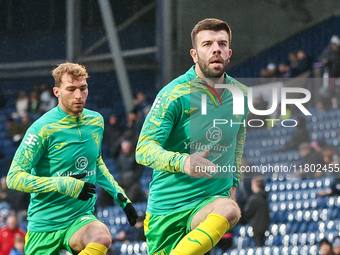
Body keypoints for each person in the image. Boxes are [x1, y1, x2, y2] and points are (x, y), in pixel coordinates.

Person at [136, 18, 248, 255]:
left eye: (221, 44)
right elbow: (143, 149)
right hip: (168, 210)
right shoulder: (174, 94)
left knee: (230, 209)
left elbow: (238, 140)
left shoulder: (242, 94)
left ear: (229, 53)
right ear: (194, 54)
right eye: (207, 44)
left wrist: (234, 181)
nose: (215, 48)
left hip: (208, 205)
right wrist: (183, 162)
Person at [6, 62, 138, 255]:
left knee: (101, 236)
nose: (78, 95)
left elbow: (96, 163)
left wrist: (121, 197)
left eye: (82, 88)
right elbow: (14, 177)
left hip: (79, 218)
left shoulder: (96, 121)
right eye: (71, 89)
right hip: (45, 224)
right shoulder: (41, 128)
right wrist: (63, 184)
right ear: (57, 92)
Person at [242, 177, 270, 247]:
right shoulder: (265, 197)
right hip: (265, 225)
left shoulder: (254, 199)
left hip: (256, 226)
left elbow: (247, 213)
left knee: (258, 245)